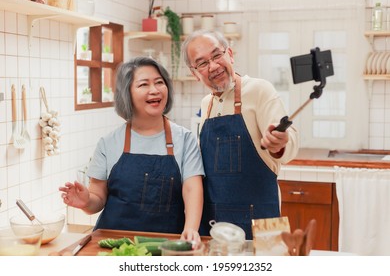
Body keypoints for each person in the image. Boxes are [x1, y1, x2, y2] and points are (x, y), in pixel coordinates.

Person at [59, 57, 204, 242]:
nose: (154, 90)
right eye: (144, 84)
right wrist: (86, 201)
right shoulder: (109, 142)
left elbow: (192, 189)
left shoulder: (185, 139)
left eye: (159, 82)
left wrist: (191, 229)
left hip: (168, 243)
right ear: (127, 94)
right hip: (115, 244)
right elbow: (98, 198)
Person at [181, 30, 299, 239]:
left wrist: (279, 143)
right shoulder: (206, 104)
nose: (214, 66)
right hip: (214, 225)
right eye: (202, 63)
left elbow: (288, 145)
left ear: (230, 55)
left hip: (263, 225)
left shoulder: (260, 90)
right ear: (195, 73)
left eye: (217, 55)